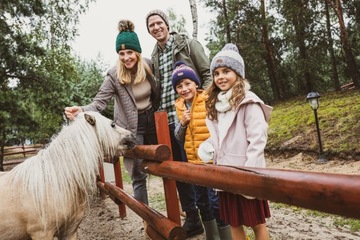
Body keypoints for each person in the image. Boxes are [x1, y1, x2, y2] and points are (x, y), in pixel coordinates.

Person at [64, 19, 160, 206]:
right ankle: (147, 221)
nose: (126, 57)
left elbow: (158, 91)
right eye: (122, 53)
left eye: (130, 52)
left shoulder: (148, 66)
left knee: (165, 164)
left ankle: (179, 210)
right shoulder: (114, 76)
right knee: (138, 173)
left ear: (137, 53)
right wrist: (81, 110)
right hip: (132, 126)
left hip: (155, 120)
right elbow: (99, 103)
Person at [145, 9, 212, 238]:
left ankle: (211, 216)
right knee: (179, 172)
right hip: (166, 120)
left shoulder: (188, 44)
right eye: (151, 25)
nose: (156, 27)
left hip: (191, 116)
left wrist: (204, 103)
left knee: (196, 168)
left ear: (166, 24)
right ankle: (193, 218)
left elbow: (207, 73)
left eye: (158, 22)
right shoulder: (153, 56)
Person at [198, 43, 272, 240]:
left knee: (257, 223)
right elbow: (220, 138)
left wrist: (250, 175)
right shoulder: (216, 105)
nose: (221, 77)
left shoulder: (249, 102)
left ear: (238, 74)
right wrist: (208, 146)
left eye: (226, 71)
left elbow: (257, 139)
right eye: (217, 73)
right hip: (226, 175)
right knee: (234, 223)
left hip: (246, 172)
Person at [172, 61, 232, 240]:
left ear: (196, 84)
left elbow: (220, 125)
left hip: (211, 162)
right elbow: (178, 137)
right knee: (202, 202)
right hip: (193, 164)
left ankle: (226, 236)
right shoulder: (180, 107)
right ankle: (211, 236)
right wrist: (182, 123)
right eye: (179, 86)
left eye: (187, 84)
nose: (184, 89)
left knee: (216, 202)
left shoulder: (208, 99)